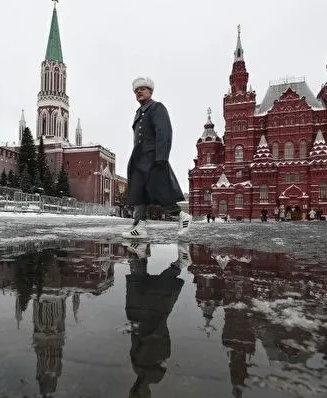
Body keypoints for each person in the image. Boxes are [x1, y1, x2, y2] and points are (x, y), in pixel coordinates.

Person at [122, 77, 190, 239]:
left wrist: (162, 157)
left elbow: (164, 131)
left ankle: (182, 216)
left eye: (143, 89)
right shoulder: (139, 112)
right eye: (136, 90)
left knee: (158, 189)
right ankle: (139, 225)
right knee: (138, 190)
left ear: (150, 91)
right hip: (139, 157)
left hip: (152, 155)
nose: (139, 91)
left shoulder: (156, 107)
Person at [124, 243, 184, 398]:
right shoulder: (156, 376)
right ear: (147, 394)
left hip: (137, 319)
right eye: (140, 396)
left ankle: (138, 249)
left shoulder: (136, 369)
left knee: (138, 279)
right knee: (161, 289)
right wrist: (157, 332)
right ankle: (179, 264)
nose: (136, 391)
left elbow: (134, 343)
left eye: (133, 394)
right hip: (154, 324)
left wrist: (135, 327)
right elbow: (165, 349)